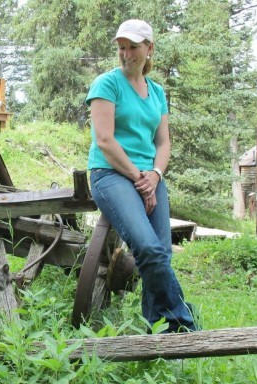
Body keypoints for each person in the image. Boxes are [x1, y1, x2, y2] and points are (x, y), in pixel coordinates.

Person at [86, 19, 198, 333]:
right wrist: (140, 178)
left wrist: (156, 175)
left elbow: (163, 142)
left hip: (149, 176)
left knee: (161, 255)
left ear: (149, 49)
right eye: (121, 47)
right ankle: (182, 325)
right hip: (110, 175)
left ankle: (157, 330)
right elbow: (105, 141)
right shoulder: (106, 84)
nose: (126, 53)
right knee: (148, 249)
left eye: (133, 46)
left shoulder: (158, 92)